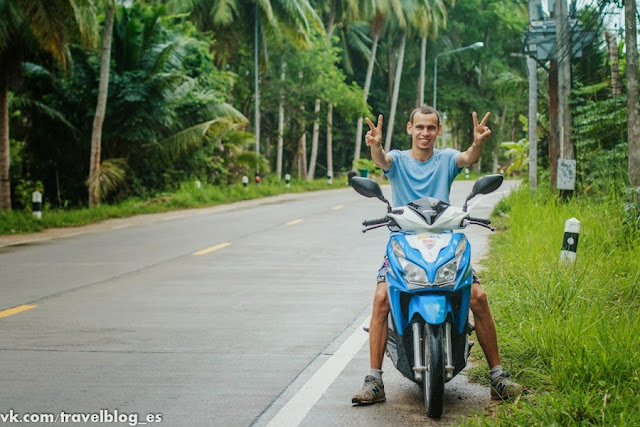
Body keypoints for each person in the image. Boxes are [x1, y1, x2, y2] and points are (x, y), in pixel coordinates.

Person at [351, 105, 523, 405]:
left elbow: (468, 158)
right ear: (410, 128)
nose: (425, 133)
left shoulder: (445, 159)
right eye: (420, 127)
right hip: (404, 241)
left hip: (445, 240)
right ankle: (374, 380)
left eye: (431, 128)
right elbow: (383, 160)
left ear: (438, 131)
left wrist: (478, 142)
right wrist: (376, 147)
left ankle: (497, 376)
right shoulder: (399, 160)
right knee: (381, 299)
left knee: (478, 297)